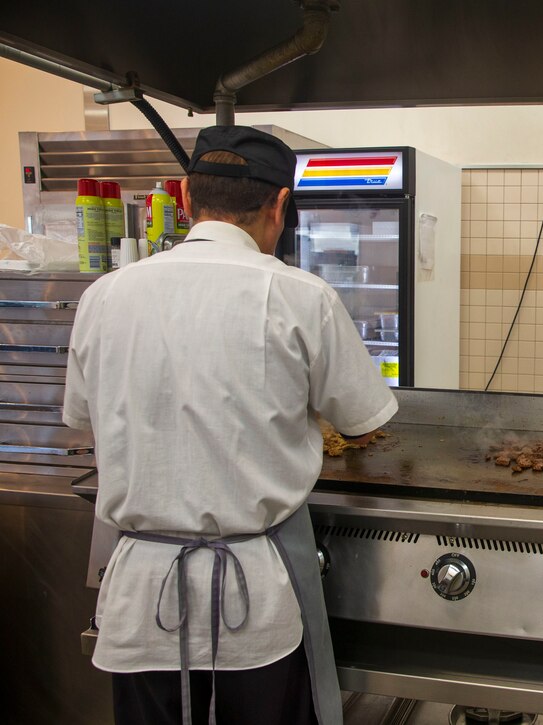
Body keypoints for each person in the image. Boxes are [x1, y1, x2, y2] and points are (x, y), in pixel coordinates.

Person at [63, 125, 397, 725]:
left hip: (141, 596)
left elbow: (84, 419)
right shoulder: (302, 296)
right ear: (280, 205)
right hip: (254, 597)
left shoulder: (104, 296)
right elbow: (363, 419)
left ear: (188, 201)